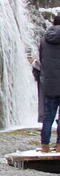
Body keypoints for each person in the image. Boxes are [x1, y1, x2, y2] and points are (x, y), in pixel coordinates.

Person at [38, 14, 60, 152]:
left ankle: (44, 146)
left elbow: (42, 61)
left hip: (49, 84)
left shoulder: (43, 40)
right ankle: (59, 146)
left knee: (48, 116)